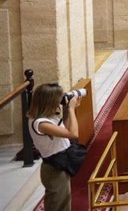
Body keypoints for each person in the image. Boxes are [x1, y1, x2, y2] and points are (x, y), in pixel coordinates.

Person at [28, 83, 81, 211]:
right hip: (53, 168)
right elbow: (73, 134)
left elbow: (67, 129)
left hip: (60, 163)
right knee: (57, 205)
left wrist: (68, 110)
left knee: (63, 201)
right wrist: (72, 109)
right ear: (49, 101)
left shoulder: (48, 117)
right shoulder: (40, 124)